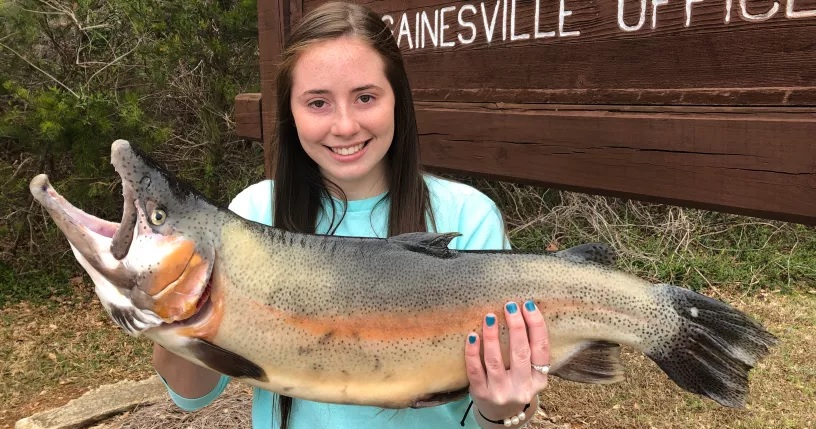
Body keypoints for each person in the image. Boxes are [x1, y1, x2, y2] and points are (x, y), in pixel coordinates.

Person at [153, 2, 552, 428]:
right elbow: (191, 395)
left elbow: (495, 416)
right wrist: (164, 311)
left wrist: (502, 410)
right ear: (290, 111)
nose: (344, 126)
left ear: (398, 100)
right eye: (318, 103)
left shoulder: (468, 215)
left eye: (365, 97)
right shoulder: (252, 215)